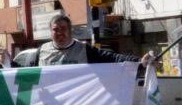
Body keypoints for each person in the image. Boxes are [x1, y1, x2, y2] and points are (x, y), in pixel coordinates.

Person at [10, 13, 151, 67]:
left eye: (63, 29)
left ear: (70, 30)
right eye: (55, 30)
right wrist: (3, 63)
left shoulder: (84, 50)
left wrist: (139, 61)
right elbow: (24, 74)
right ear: (50, 31)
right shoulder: (41, 52)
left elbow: (113, 58)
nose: (60, 33)